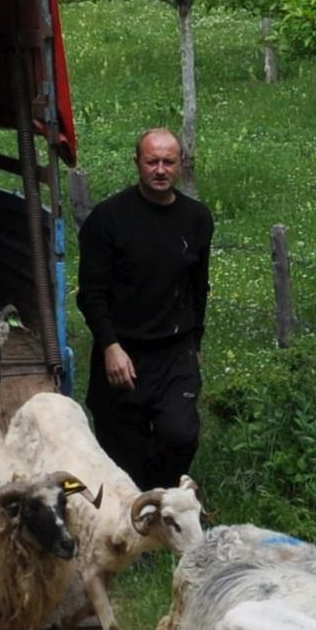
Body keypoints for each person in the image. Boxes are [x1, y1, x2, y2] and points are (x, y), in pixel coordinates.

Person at [75, 127, 211, 491]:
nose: (161, 170)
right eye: (152, 162)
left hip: (174, 350)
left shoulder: (196, 219)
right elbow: (91, 293)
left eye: (169, 162)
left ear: (181, 165)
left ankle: (161, 502)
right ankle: (134, 523)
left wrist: (195, 343)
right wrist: (110, 346)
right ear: (138, 163)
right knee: (122, 453)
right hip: (123, 350)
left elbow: (199, 287)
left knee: (180, 434)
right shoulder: (108, 220)